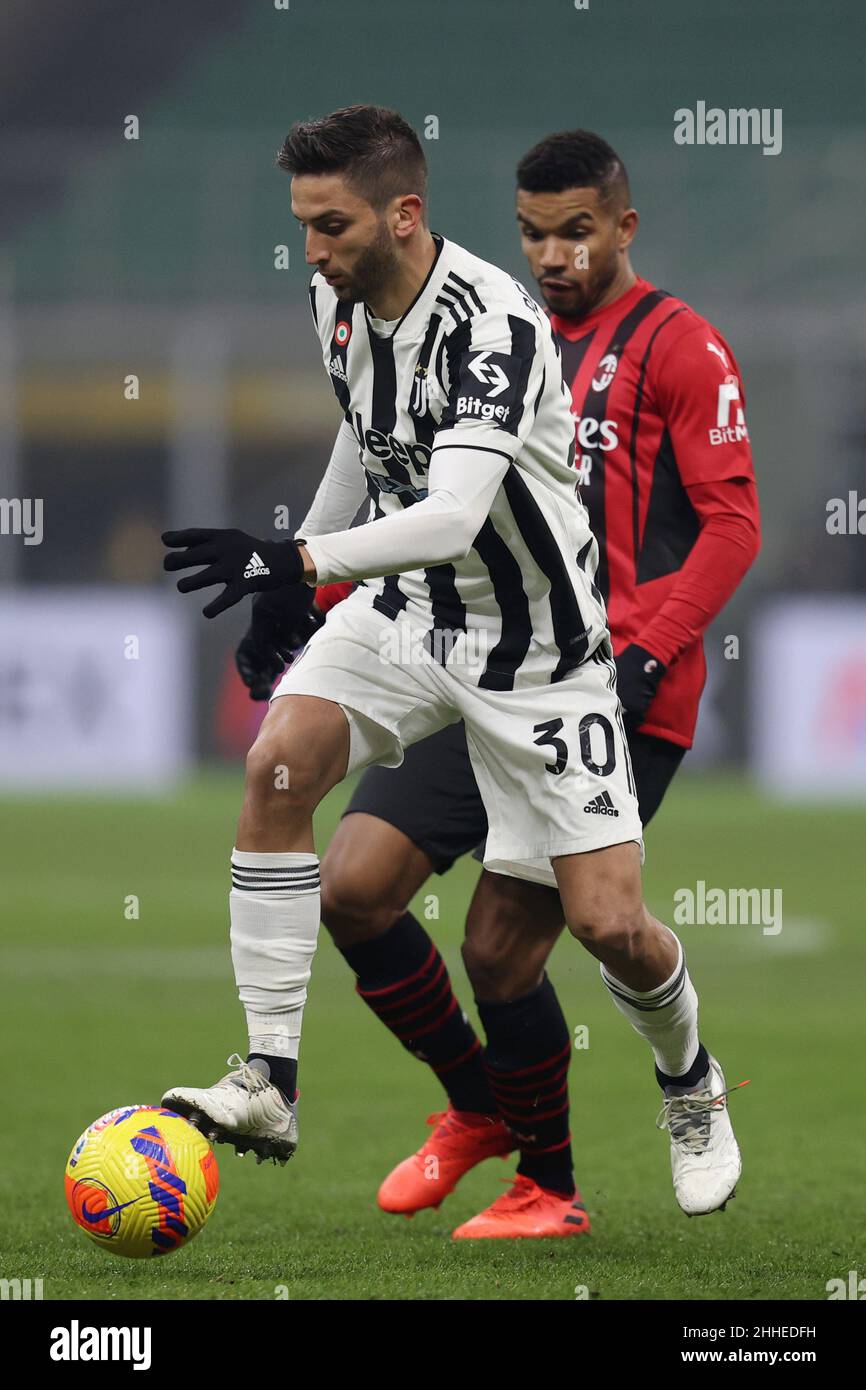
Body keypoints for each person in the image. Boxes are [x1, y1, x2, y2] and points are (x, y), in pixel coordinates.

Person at [161, 107, 744, 1242]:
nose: (313, 252)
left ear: (403, 213)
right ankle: (270, 1081)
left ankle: (687, 1080)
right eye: (302, 228)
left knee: (606, 925)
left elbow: (451, 512)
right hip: (411, 618)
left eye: (331, 226)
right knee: (281, 770)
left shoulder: (495, 325)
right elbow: (363, 432)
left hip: (539, 656)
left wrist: (296, 555)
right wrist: (299, 592)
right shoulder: (335, 291)